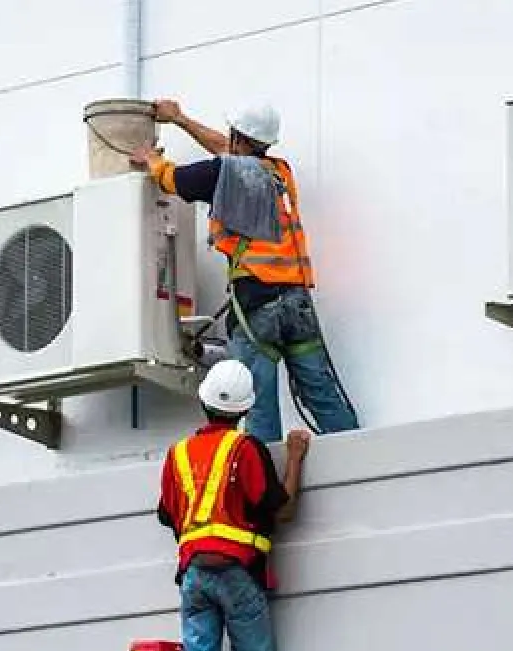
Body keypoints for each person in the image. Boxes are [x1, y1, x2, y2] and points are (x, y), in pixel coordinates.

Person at [131, 99, 359, 445]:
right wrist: (179, 120)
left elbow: (175, 180)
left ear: (238, 136)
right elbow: (228, 152)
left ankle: (264, 478)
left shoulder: (222, 173)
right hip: (297, 303)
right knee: (322, 393)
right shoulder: (279, 172)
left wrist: (151, 160)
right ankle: (357, 454)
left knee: (258, 405)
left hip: (256, 305)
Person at [156, 359, 310, 651]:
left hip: (193, 576)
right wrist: (295, 458)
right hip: (237, 574)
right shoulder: (245, 450)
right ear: (245, 409)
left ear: (204, 400)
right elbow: (282, 511)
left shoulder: (178, 454)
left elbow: (169, 514)